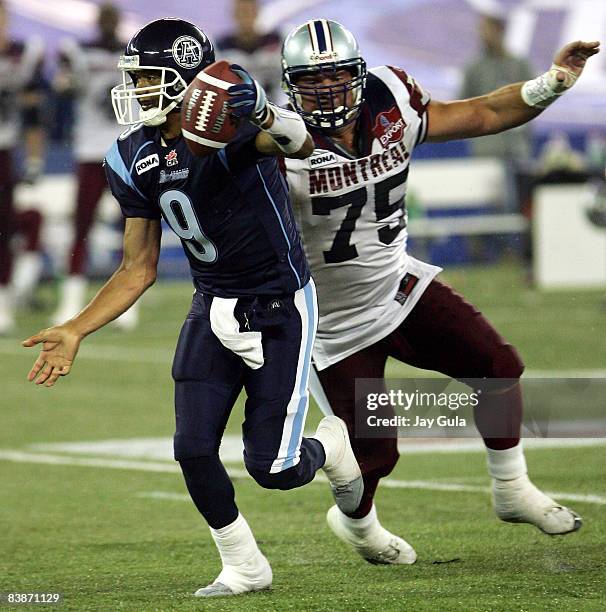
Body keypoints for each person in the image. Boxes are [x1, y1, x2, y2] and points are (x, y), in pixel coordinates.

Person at [23, 18, 362, 598]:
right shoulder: (130, 155)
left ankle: (329, 445)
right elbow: (138, 267)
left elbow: (302, 143)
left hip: (278, 303)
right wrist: (77, 328)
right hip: (211, 303)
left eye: (149, 77)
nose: (136, 90)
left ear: (185, 79)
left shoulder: (234, 127)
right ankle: (245, 565)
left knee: (272, 469)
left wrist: (262, 113)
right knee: (192, 448)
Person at [280, 19, 599, 564]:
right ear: (291, 87)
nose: (329, 93)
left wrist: (553, 82)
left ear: (358, 74)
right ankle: (357, 525)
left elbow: (485, 112)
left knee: (497, 365)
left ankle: (512, 488)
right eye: (314, 83)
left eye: (337, 79)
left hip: (397, 286)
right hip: (330, 322)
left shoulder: (393, 100)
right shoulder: (274, 144)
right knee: (375, 456)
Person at [51, 2, 137, 329]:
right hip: (89, 148)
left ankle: (127, 302)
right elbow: (62, 85)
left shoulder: (132, 53)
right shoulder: (79, 52)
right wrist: (67, 79)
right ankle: (72, 298)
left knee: (134, 225)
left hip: (124, 148)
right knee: (81, 225)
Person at [0, 0, 45, 334]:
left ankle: (4, 299)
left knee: (5, 227)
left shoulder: (20, 55)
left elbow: (32, 113)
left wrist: (33, 158)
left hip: (4, 150)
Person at [216, 0, 284, 105]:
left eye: (249, 11)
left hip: (276, 109)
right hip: (237, 112)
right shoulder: (221, 47)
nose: (245, 16)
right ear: (234, 14)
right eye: (242, 12)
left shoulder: (277, 41)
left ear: (257, 12)